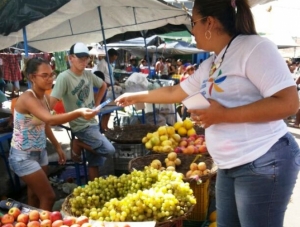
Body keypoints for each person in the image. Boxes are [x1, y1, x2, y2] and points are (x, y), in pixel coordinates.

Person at [115, 0, 300, 226]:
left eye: (193, 23)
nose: (192, 31)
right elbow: (176, 91)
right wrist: (137, 96)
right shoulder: (213, 62)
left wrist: (222, 115)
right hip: (229, 165)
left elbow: (289, 103)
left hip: (263, 159)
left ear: (209, 22)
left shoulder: (254, 48)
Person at [8, 58, 99, 211]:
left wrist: (57, 146)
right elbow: (50, 118)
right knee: (48, 197)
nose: (50, 79)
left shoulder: (44, 97)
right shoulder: (27, 98)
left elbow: (44, 124)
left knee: (35, 195)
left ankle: (32, 221)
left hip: (40, 153)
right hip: (23, 156)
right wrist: (78, 113)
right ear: (32, 77)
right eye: (45, 75)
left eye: (52, 74)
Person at [50, 42, 115, 181]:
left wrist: (97, 106)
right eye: (80, 58)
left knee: (94, 163)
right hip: (81, 126)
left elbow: (103, 85)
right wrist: (45, 114)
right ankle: (78, 143)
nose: (83, 62)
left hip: (92, 122)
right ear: (70, 58)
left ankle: (94, 189)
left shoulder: (88, 74)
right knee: (110, 150)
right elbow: (52, 101)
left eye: (86, 58)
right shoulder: (64, 77)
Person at [97, 48, 123, 131]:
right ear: (108, 56)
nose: (113, 61)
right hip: (105, 89)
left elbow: (110, 76)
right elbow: (99, 77)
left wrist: (115, 82)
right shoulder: (102, 64)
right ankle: (102, 126)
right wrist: (107, 84)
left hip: (110, 88)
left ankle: (105, 126)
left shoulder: (109, 64)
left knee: (110, 109)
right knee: (106, 108)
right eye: (113, 59)